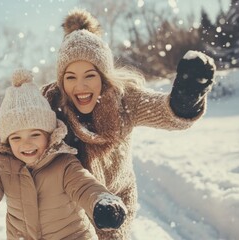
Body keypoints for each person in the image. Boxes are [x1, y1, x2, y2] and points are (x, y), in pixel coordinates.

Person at [40, 9, 217, 239]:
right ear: (61, 81)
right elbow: (18, 130)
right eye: (70, 77)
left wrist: (184, 101)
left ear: (104, 76)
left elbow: (162, 110)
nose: (80, 86)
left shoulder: (123, 99)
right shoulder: (51, 104)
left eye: (90, 75)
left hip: (116, 201)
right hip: (68, 211)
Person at [0, 69, 128, 240]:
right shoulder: (1, 167)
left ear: (50, 135)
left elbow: (84, 186)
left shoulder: (64, 163)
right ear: (6, 141)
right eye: (16, 137)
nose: (25, 143)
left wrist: (100, 202)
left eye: (35, 134)